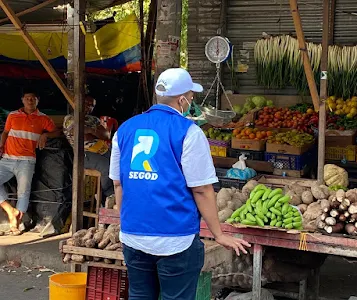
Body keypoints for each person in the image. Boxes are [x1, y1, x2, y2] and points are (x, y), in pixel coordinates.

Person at [109, 68, 250, 300]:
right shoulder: (189, 132)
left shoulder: (125, 129)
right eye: (191, 97)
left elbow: (118, 184)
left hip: (133, 236)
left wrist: (126, 223)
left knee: (140, 295)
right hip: (175, 238)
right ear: (182, 99)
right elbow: (202, 189)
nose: (191, 101)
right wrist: (219, 234)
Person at [0, 90, 60, 235]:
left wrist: (45, 134)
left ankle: (16, 224)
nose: (30, 101)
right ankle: (10, 210)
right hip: (7, 158)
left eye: (33, 98)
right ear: (22, 100)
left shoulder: (43, 118)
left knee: (23, 192)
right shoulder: (13, 115)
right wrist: (1, 147)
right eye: (27, 98)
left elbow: (57, 132)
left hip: (27, 161)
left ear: (37, 101)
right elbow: (6, 133)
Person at [63, 96, 114, 203]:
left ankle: (116, 192)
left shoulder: (94, 119)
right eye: (86, 103)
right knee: (106, 166)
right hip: (83, 154)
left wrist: (90, 130)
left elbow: (106, 135)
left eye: (91, 105)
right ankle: (108, 195)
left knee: (117, 162)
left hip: (101, 149)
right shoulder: (70, 119)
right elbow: (80, 136)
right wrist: (96, 133)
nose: (88, 107)